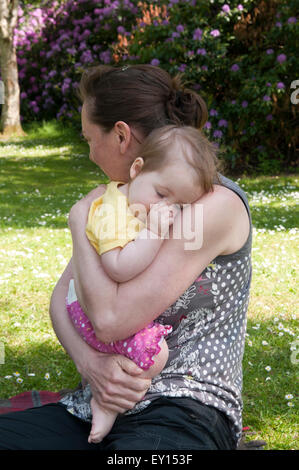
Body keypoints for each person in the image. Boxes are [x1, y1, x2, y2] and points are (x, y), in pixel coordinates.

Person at [0, 64, 251, 450]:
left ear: (120, 135)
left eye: (89, 139)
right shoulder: (118, 199)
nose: (89, 154)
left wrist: (79, 220)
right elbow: (61, 297)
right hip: (98, 406)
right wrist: (90, 366)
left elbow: (111, 320)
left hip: (184, 408)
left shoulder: (212, 204)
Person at [66, 124, 220, 443]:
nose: (165, 209)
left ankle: (108, 391)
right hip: (86, 311)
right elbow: (118, 267)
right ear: (137, 170)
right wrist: (154, 234)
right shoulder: (112, 212)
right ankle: (109, 402)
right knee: (156, 353)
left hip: (91, 306)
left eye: (178, 206)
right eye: (161, 194)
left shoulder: (131, 204)